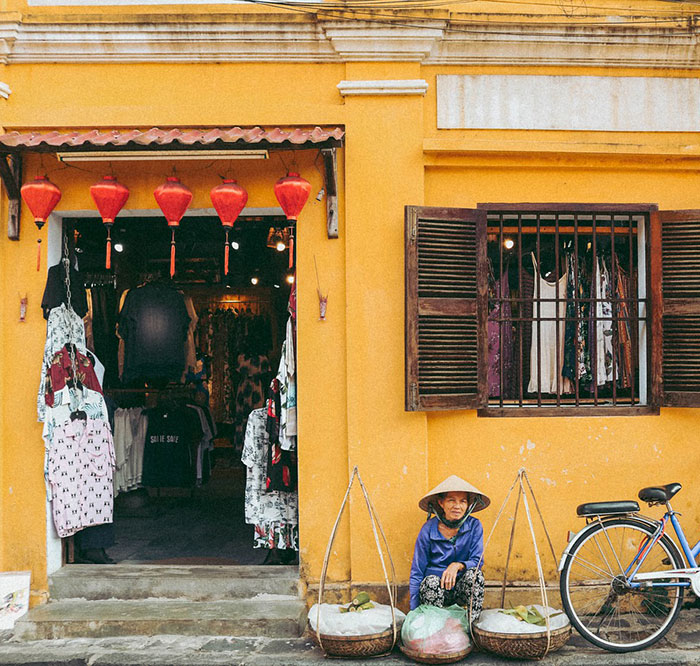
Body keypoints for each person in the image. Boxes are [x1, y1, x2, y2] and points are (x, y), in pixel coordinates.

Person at [409, 475, 490, 619]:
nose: (457, 506)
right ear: (441, 503)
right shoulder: (428, 529)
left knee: (475, 575)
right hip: (435, 591)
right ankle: (434, 629)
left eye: (462, 501)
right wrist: (413, 611)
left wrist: (457, 565)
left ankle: (472, 629)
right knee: (430, 582)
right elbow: (417, 571)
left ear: (468, 505)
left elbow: (477, 560)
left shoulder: (474, 525)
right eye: (451, 500)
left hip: (460, 588)